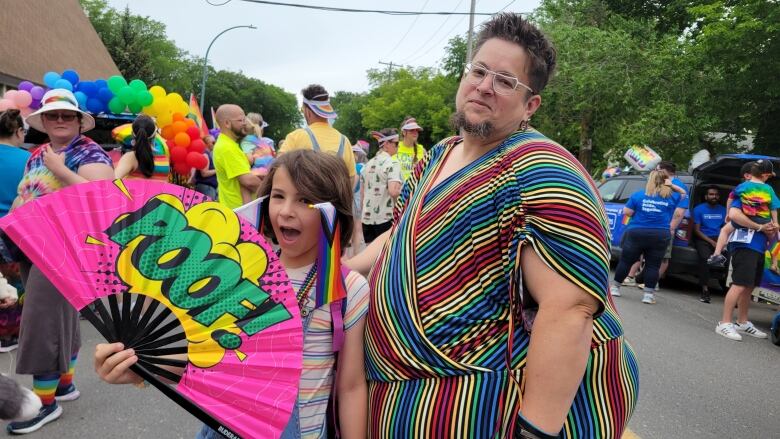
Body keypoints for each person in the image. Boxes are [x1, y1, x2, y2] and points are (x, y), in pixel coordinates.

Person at [348, 13, 637, 438]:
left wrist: (535, 431)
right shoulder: (436, 156)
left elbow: (569, 309)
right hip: (402, 395)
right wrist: (347, 271)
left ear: (530, 104)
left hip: (489, 406)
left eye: (505, 81)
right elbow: (402, 231)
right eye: (479, 71)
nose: (484, 85)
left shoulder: (540, 169)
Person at [94, 150, 369, 439]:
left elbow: (351, 386)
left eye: (304, 200)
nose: (286, 211)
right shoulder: (240, 270)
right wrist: (138, 369)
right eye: (278, 196)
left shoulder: (347, 289)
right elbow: (204, 355)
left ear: (332, 211)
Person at [7, 89, 114, 434]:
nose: (60, 121)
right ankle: (64, 384)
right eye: (53, 115)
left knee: (41, 321)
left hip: (67, 248)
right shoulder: (37, 153)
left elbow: (103, 201)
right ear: (43, 121)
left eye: (67, 115)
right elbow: (27, 192)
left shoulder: (90, 152)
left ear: (80, 120)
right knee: (59, 316)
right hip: (30, 242)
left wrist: (60, 169)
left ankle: (44, 403)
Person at [715, 160, 779, 341]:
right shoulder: (742, 191)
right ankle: (724, 323)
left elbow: (774, 209)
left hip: (759, 245)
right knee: (740, 283)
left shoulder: (767, 192)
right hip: (745, 244)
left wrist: (772, 226)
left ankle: (742, 322)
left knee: (749, 285)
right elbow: (733, 216)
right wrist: (759, 227)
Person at [610, 171, 685, 304]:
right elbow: (684, 193)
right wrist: (672, 186)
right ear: (666, 181)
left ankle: (615, 287)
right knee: (653, 265)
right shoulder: (671, 197)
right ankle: (648, 295)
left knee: (626, 261)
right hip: (660, 234)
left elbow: (627, 212)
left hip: (637, 232)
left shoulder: (638, 195)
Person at [709, 160, 780, 272]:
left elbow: (730, 199)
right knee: (774, 240)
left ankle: (716, 255)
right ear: (765, 175)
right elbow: (773, 207)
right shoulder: (769, 189)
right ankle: (774, 264)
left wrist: (727, 213)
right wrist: (775, 222)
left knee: (724, 230)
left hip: (746, 218)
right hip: (764, 220)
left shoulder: (742, 186)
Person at [279, 84, 357, 185]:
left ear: (307, 111)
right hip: (335, 200)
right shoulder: (344, 140)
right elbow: (351, 178)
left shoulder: (296, 136)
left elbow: (278, 168)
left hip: (305, 200)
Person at [0, 109, 30, 353]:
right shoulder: (29, 160)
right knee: (16, 284)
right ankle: (9, 336)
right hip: (13, 230)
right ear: (18, 132)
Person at [212, 104, 262, 208]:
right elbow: (248, 181)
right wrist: (271, 191)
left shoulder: (230, 144)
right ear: (227, 123)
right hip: (239, 211)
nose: (245, 123)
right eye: (240, 120)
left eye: (245, 120)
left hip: (239, 209)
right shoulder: (227, 148)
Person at [360, 128, 402, 244]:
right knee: (385, 258)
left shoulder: (367, 165)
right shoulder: (393, 163)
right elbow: (394, 192)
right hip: (385, 219)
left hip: (366, 220)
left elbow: (362, 195)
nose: (398, 146)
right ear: (387, 144)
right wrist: (408, 189)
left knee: (371, 259)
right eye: (396, 143)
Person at [692, 186, 727, 303]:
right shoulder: (698, 209)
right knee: (705, 259)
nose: (714, 197)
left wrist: (722, 242)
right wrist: (711, 242)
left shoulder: (723, 210)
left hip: (720, 238)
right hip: (703, 239)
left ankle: (730, 291)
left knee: (731, 259)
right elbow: (697, 230)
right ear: (706, 196)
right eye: (711, 194)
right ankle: (705, 290)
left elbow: (726, 227)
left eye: (716, 195)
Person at [113, 114, 169, 181]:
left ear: (132, 134)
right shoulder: (164, 159)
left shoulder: (132, 157)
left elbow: (112, 181)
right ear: (155, 135)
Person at [394, 116, 425, 181]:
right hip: (398, 188)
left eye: (417, 130)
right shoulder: (394, 147)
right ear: (404, 132)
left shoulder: (422, 150)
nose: (415, 132)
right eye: (411, 130)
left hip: (415, 189)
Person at [193, 134, 218, 200]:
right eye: (213, 142)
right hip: (207, 187)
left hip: (207, 187)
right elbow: (204, 173)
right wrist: (218, 170)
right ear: (206, 144)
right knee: (208, 209)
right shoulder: (205, 154)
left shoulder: (205, 154)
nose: (214, 144)